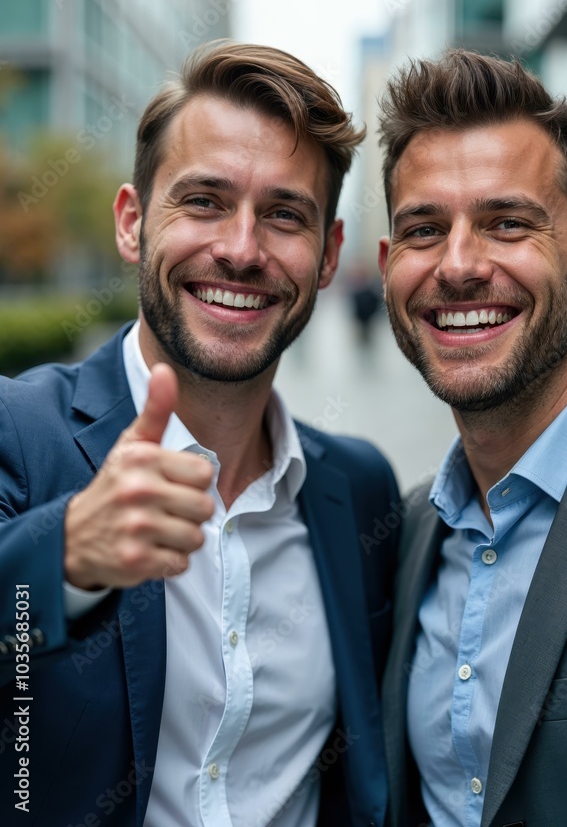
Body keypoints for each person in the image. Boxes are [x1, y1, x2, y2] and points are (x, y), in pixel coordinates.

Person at [0, 42, 400, 827]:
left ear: (328, 257)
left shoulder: (360, 492)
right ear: (132, 222)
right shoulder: (17, 431)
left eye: (285, 214)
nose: (241, 249)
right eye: (205, 201)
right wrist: (64, 556)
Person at [377, 49, 567, 827]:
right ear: (387, 267)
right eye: (423, 229)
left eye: (506, 223)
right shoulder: (411, 529)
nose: (458, 266)